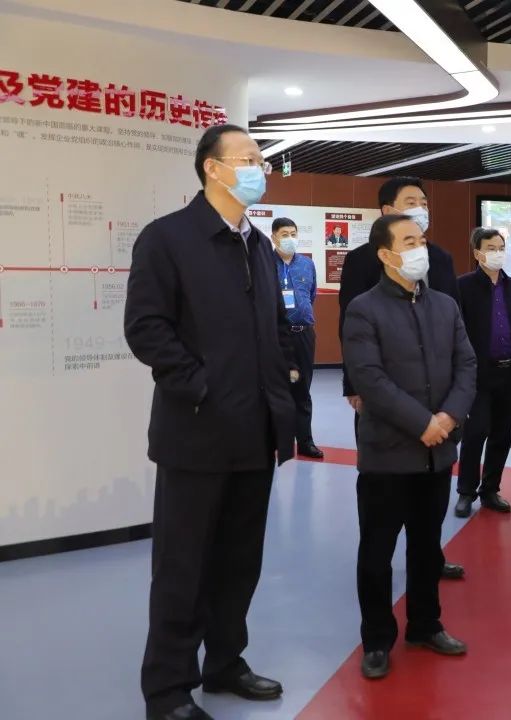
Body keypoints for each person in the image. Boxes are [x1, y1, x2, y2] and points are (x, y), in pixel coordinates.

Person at [125, 124, 296, 720]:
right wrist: (200, 388)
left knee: (239, 562)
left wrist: (282, 403)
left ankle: (225, 662)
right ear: (212, 169)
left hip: (255, 432)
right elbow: (146, 328)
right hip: (196, 434)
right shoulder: (167, 238)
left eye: (260, 159)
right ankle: (168, 689)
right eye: (247, 158)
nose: (258, 168)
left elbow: (273, 331)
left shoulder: (258, 245)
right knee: (183, 566)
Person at [342, 214, 477, 680]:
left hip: (436, 456)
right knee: (377, 553)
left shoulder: (445, 306)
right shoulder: (363, 309)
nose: (420, 248)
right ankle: (377, 639)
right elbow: (370, 379)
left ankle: (425, 624)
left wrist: (448, 418)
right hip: (386, 456)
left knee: (426, 547)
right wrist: (423, 423)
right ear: (385, 254)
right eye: (408, 241)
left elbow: (467, 365)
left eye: (421, 240)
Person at [337, 176, 466, 582]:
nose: (421, 209)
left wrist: (448, 415)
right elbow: (353, 337)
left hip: (438, 411)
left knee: (427, 532)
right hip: (387, 413)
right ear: (387, 210)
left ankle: (430, 582)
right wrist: (354, 385)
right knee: (380, 534)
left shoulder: (440, 260)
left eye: (424, 202)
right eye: (411, 202)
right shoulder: (362, 265)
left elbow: (460, 347)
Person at [454, 227, 511, 518]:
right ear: (478, 253)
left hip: (509, 373)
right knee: (475, 432)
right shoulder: (463, 286)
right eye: (491, 248)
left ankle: (490, 490)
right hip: (477, 375)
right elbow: (457, 333)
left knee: (501, 435)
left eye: (501, 247)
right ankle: (466, 492)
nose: (498, 253)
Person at [271, 217, 323, 459]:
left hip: (303, 334)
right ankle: (274, 440)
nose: (290, 238)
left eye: (293, 233)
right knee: (275, 388)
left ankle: (305, 442)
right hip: (274, 336)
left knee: (303, 390)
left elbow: (311, 296)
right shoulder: (265, 263)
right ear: (274, 237)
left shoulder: (307, 264)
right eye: (285, 234)